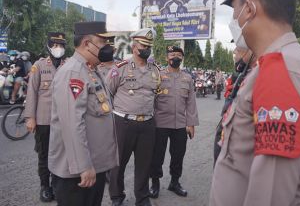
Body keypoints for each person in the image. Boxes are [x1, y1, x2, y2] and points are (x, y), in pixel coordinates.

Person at [210, 0, 300, 206]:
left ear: (250, 9)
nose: (234, 20)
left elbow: (271, 195)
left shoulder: (281, 70)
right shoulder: (277, 64)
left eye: (235, 11)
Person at [48, 21, 118, 206]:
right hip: (78, 173)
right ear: (87, 43)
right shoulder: (74, 72)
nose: (107, 47)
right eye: (103, 43)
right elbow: (72, 124)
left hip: (93, 166)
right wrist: (83, 166)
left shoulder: (90, 70)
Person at [107, 28, 160, 206]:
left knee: (144, 165)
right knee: (118, 163)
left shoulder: (156, 70)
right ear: (134, 46)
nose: (147, 49)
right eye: (144, 45)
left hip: (147, 124)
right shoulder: (120, 69)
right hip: (123, 122)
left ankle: (142, 198)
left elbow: (157, 97)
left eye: (149, 46)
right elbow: (107, 93)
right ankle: (116, 196)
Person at [149, 45, 199, 199]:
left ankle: (174, 182)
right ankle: (155, 183)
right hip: (160, 123)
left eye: (178, 54)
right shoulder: (158, 76)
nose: (175, 57)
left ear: (182, 58)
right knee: (157, 155)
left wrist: (191, 124)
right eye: (172, 55)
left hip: (180, 124)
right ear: (167, 58)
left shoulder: (187, 78)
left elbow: (191, 103)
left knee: (178, 155)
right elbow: (151, 100)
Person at [24, 32, 67, 202]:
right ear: (49, 46)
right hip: (44, 120)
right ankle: (45, 186)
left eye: (61, 45)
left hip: (64, 120)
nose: (58, 49)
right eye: (55, 45)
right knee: (44, 155)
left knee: (61, 154)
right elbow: (32, 92)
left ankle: (56, 185)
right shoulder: (39, 65)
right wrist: (30, 118)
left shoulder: (69, 65)